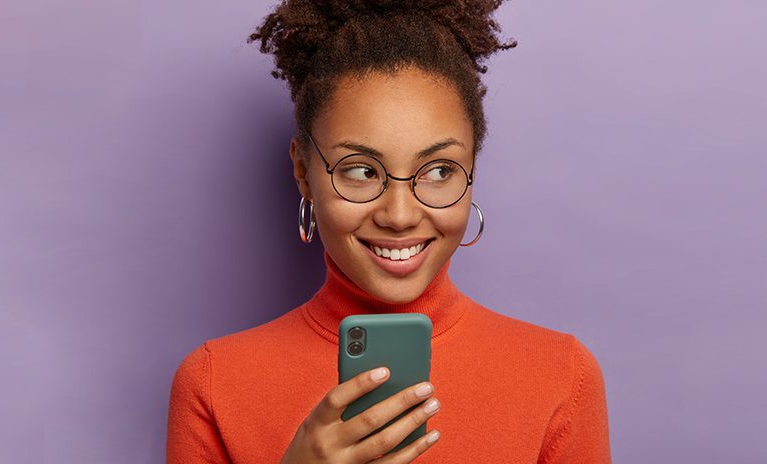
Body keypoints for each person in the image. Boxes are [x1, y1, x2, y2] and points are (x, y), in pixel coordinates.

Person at [166, 1, 611, 462]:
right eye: (360, 170)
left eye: (439, 170)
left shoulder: (561, 376)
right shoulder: (214, 384)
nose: (399, 215)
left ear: (471, 170)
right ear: (303, 171)